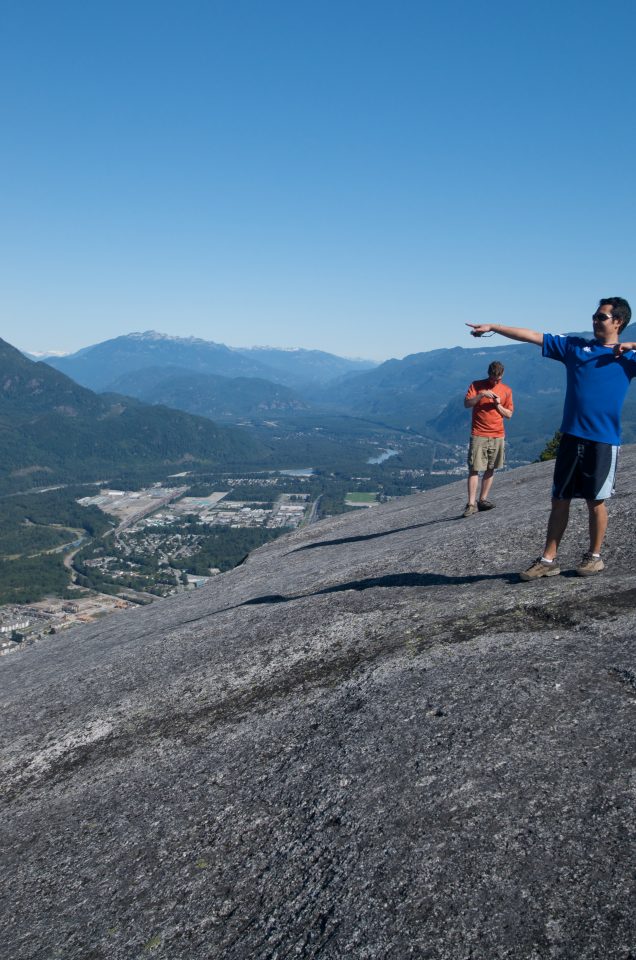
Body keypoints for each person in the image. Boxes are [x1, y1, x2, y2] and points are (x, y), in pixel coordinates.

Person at [467, 296, 634, 579]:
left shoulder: (628, 358)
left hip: (603, 440)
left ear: (618, 321)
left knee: (596, 501)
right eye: (594, 315)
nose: (594, 320)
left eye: (601, 317)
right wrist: (494, 326)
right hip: (571, 436)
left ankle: (594, 557)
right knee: (560, 499)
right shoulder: (576, 347)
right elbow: (533, 336)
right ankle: (548, 560)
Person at [463, 361, 514, 517]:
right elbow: (467, 404)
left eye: (498, 379)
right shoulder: (477, 385)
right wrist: (481, 395)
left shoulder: (506, 390)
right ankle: (471, 504)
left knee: (491, 468)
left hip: (498, 434)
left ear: (502, 375)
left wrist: (497, 405)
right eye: (493, 378)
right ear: (489, 374)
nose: (495, 382)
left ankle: (482, 500)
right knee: (474, 468)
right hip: (479, 433)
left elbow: (509, 414)